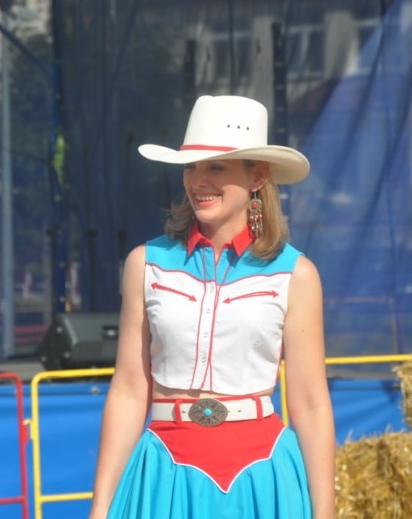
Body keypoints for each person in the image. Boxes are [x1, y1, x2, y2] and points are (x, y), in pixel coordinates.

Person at [88, 95, 335, 519]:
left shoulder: (297, 274)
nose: (198, 181)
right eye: (191, 167)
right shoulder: (144, 263)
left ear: (258, 175)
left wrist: (325, 512)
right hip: (163, 476)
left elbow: (311, 403)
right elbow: (129, 390)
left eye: (216, 167)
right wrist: (100, 506)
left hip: (263, 480)